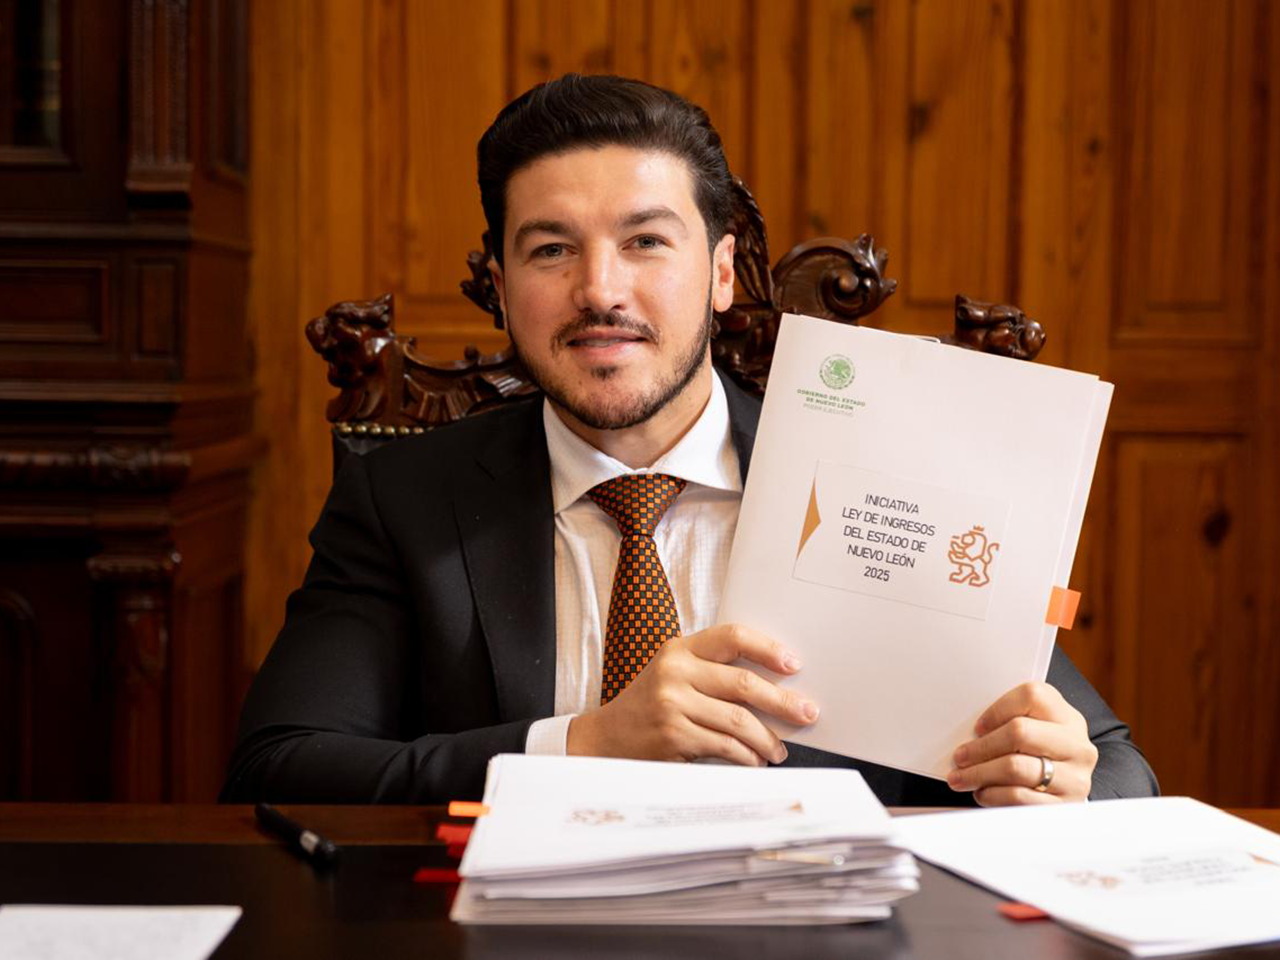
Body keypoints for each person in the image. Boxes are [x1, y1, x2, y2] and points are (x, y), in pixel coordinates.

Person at [222, 74, 1157, 806]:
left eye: (645, 242)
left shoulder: (887, 473)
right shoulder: (403, 498)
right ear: (501, 290)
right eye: (551, 249)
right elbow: (279, 768)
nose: (600, 290)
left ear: (719, 274)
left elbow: (1117, 770)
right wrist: (582, 745)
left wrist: (1054, 776)